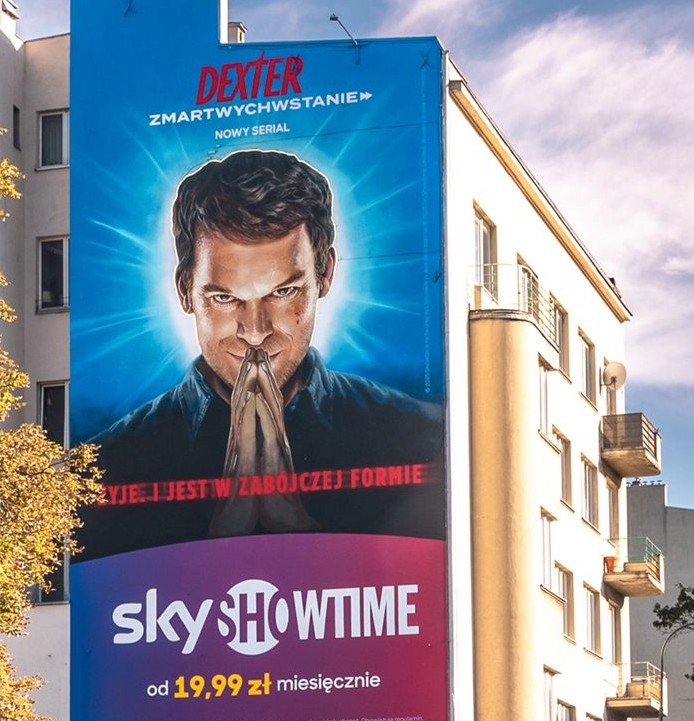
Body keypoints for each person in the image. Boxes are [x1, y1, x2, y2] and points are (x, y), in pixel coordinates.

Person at [74, 149, 448, 560]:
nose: (254, 332)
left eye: (282, 292)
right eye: (223, 298)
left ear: (324, 274)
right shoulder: (100, 470)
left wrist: (296, 534)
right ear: (185, 291)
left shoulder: (423, 438)